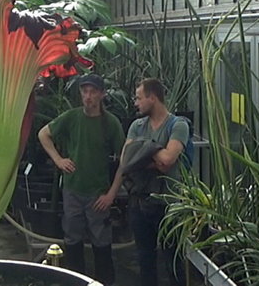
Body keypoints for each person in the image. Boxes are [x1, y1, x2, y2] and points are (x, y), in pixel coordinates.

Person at [38, 74, 125, 286]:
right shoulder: (71, 117)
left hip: (98, 193)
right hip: (73, 189)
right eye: (85, 91)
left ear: (102, 94)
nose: (88, 96)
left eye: (93, 92)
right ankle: (75, 281)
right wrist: (58, 159)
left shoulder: (110, 123)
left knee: (101, 242)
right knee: (72, 239)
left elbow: (125, 161)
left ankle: (104, 283)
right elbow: (43, 134)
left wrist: (111, 194)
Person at [123, 77, 188, 286]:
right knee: (145, 260)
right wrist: (155, 152)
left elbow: (167, 161)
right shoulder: (137, 125)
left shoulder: (178, 125)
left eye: (139, 98)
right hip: (139, 202)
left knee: (173, 261)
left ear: (152, 98)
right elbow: (126, 161)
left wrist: (143, 148)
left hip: (168, 205)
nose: (136, 103)